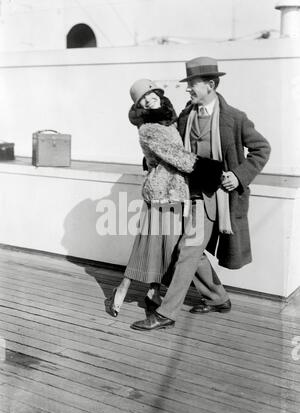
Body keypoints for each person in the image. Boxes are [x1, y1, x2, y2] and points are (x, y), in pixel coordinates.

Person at [130, 56, 271, 331]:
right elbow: (172, 150)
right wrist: (150, 160)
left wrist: (238, 176)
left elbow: (262, 149)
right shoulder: (185, 114)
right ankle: (218, 297)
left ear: (210, 84)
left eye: (192, 84)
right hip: (186, 195)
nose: (188, 90)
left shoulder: (235, 118)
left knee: (187, 249)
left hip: (217, 198)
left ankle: (166, 313)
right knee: (193, 251)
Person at [106, 78, 222, 317]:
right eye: (144, 99)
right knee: (147, 246)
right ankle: (122, 289)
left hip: (177, 193)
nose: (150, 98)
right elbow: (174, 155)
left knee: (167, 247)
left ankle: (153, 293)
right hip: (160, 193)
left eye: (152, 93)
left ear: (158, 94)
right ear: (140, 106)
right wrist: (207, 168)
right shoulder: (148, 128)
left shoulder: (168, 120)